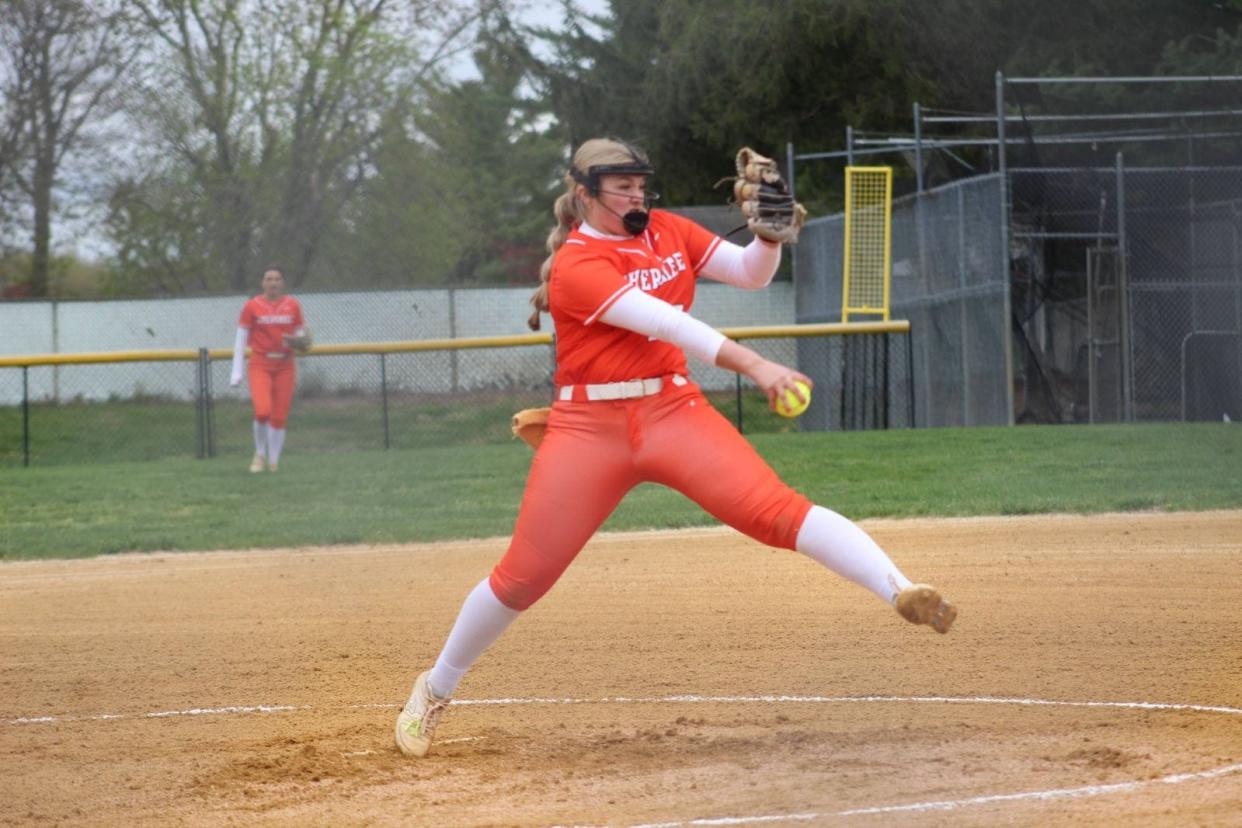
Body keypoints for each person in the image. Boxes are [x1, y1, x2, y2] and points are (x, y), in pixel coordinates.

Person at [394, 138, 957, 758]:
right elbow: (668, 323)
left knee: (778, 512)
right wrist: (756, 365)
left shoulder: (666, 230)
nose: (638, 195)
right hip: (591, 429)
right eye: (622, 186)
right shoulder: (578, 264)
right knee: (523, 579)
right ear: (584, 193)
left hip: (671, 410)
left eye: (641, 184)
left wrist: (767, 239)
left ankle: (901, 589)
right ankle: (434, 689)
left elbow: (747, 274)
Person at [229, 265, 308, 473]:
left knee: (280, 417)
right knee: (263, 411)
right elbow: (240, 340)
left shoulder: (292, 305)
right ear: (263, 283)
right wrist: (235, 372)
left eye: (277, 279)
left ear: (282, 283)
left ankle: (273, 462)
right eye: (269, 279)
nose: (273, 282)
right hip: (261, 363)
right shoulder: (252, 306)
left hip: (285, 364)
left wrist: (300, 340)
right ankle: (259, 454)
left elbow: (301, 336)